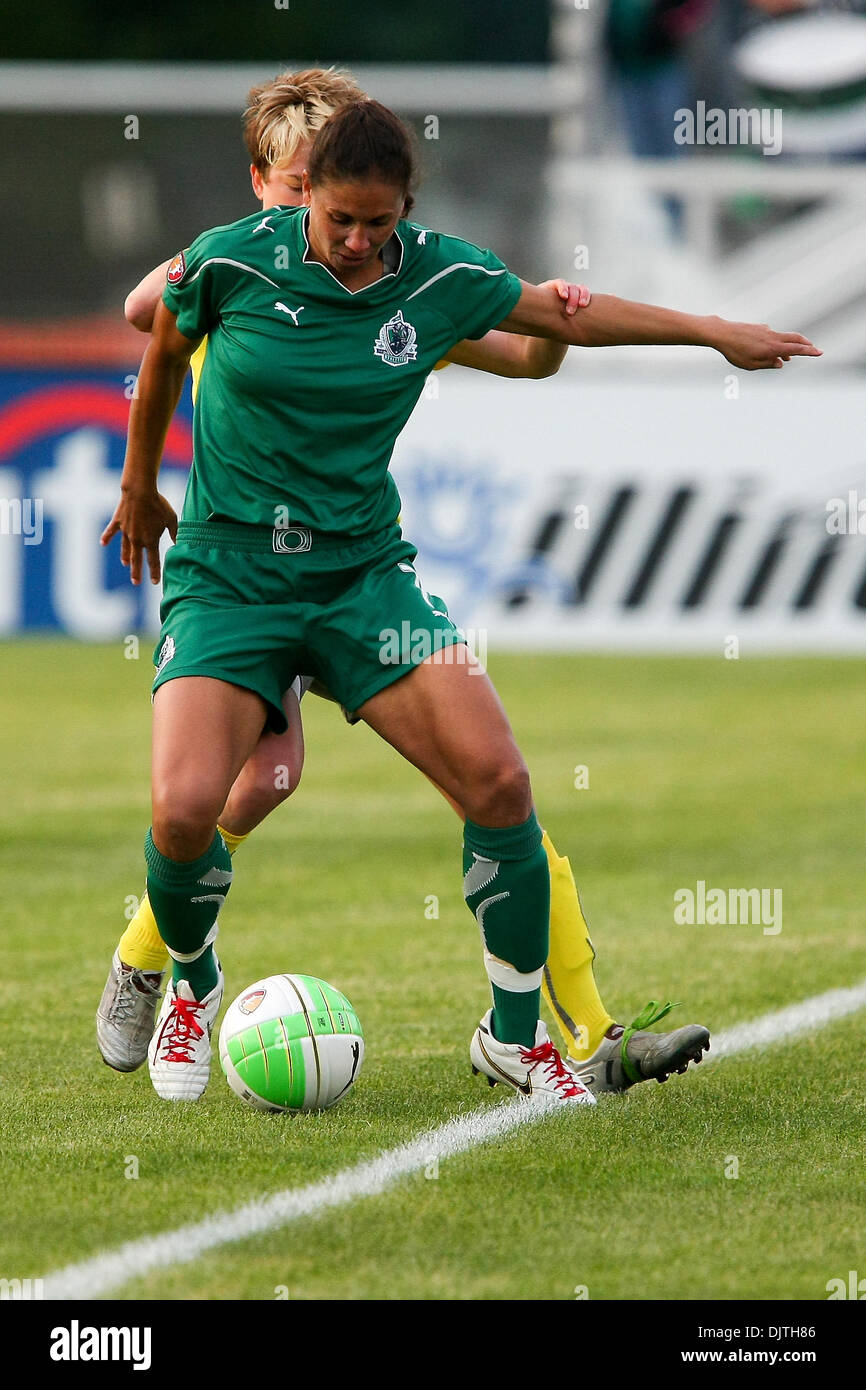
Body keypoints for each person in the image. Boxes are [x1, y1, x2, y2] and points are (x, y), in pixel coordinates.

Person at [102, 97, 818, 1106]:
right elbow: (161, 347)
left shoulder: (440, 277)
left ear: (405, 206)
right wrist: (139, 486)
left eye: (376, 223)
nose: (355, 242)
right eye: (338, 220)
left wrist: (708, 333)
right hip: (230, 577)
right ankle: (190, 982)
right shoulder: (231, 261)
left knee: (499, 782)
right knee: (186, 809)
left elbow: (557, 321)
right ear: (304, 198)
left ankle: (518, 1037)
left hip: (361, 580)